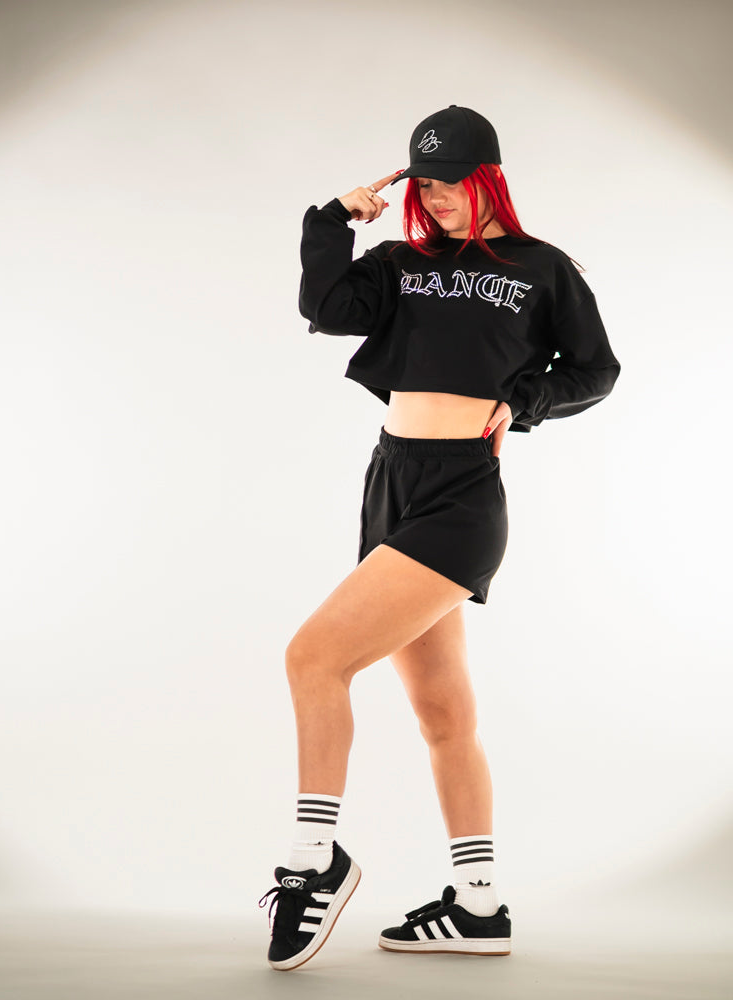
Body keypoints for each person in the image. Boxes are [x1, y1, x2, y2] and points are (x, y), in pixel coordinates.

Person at [257, 105, 621, 972]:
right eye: (426, 182)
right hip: (391, 481)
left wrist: (525, 401)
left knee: (314, 658)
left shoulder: (541, 268)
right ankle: (479, 905)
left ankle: (314, 860)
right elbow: (325, 307)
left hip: (461, 496)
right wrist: (333, 221)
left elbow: (596, 368)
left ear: (488, 179)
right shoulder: (399, 262)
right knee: (444, 715)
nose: (439, 196)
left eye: (453, 181)